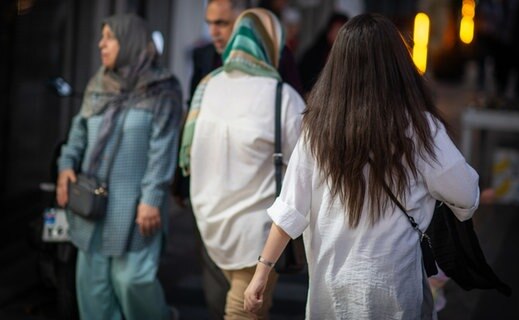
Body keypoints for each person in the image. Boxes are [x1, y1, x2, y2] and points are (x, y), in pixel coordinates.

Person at [244, 13, 480, 319]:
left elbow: (291, 209)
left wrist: (261, 272)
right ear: (398, 65)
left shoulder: (317, 128)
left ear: (338, 66)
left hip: (331, 293)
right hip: (395, 291)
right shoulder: (422, 129)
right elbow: (465, 195)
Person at [179, 8, 305, 319]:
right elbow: (307, 167)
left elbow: (191, 153)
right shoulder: (282, 96)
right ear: (272, 44)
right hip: (257, 237)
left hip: (209, 224)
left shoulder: (207, 86)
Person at [56, 14, 182, 320]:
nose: (101, 43)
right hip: (92, 203)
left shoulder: (163, 89)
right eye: (101, 36)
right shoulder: (98, 84)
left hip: (136, 207)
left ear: (129, 41)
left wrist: (151, 200)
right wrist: (65, 166)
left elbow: (163, 149)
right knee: (93, 290)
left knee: (132, 282)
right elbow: (78, 132)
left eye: (109, 37)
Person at [298, 12, 348, 92]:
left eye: (341, 32)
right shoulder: (314, 55)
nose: (338, 36)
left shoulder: (352, 57)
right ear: (329, 32)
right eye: (336, 30)